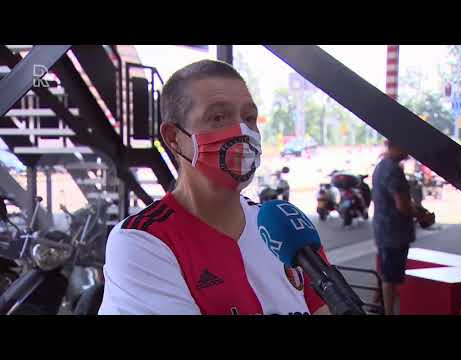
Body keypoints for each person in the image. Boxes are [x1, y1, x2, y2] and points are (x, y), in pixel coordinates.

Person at [98, 60, 330, 315]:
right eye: (218, 117)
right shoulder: (141, 241)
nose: (242, 131)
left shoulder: (284, 226)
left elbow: (326, 306)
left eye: (249, 118)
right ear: (175, 139)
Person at [372, 140, 419, 315]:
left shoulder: (381, 167)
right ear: (392, 146)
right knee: (391, 277)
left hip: (384, 230)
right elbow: (403, 206)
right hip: (394, 233)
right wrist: (421, 215)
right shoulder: (393, 170)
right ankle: (389, 311)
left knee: (386, 271)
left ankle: (380, 306)